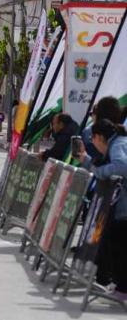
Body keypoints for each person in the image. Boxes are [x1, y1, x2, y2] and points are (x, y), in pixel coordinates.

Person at [76, 119, 127, 299]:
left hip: (124, 208)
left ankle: (123, 288)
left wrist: (98, 171)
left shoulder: (117, 144)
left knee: (120, 243)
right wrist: (88, 162)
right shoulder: (117, 143)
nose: (93, 144)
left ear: (99, 137)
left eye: (93, 140)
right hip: (120, 207)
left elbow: (122, 166)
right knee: (116, 242)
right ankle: (120, 285)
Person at [82, 97, 123, 163]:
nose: (92, 116)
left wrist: (84, 159)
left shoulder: (89, 134)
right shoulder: (120, 133)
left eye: (93, 113)